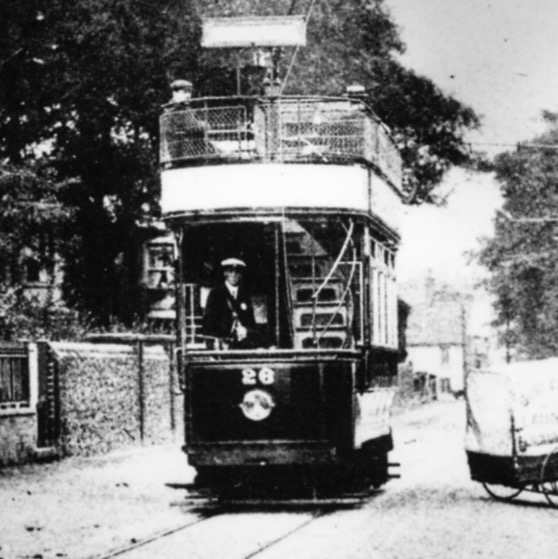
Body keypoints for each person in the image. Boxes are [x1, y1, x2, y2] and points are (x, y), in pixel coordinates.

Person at [203, 258, 257, 348]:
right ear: (225, 273)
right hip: (221, 346)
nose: (233, 275)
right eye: (230, 271)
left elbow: (251, 322)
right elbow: (208, 323)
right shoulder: (216, 294)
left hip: (242, 346)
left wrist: (246, 331)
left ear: (240, 275)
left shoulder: (244, 295)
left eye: (237, 272)